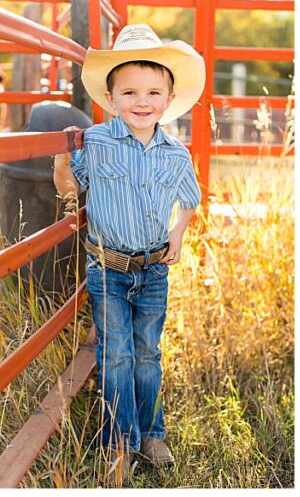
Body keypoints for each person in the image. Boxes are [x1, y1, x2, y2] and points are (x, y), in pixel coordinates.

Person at [53, 24, 203, 482]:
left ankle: (151, 432)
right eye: (131, 91)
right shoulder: (95, 143)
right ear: (112, 97)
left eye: (154, 92)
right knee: (116, 353)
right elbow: (68, 191)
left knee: (147, 353)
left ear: (169, 97)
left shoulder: (176, 153)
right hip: (107, 267)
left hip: (154, 267)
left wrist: (177, 232)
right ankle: (119, 440)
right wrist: (62, 160)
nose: (143, 101)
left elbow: (191, 198)